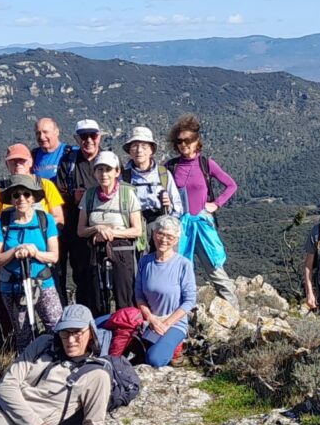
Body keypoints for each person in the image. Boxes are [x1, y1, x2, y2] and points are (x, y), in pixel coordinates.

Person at [165, 115, 238, 308]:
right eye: (179, 141)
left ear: (197, 141)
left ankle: (234, 311)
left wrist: (216, 204)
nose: (184, 144)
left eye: (188, 140)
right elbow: (160, 190)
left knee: (215, 269)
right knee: (179, 270)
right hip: (180, 227)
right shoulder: (171, 167)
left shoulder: (206, 164)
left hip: (203, 226)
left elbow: (231, 185)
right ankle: (181, 314)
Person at [0, 174, 63, 349]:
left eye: (26, 194)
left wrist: (34, 252)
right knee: (23, 334)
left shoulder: (45, 219)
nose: (21, 198)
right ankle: (28, 363)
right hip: (12, 286)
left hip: (43, 282)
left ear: (33, 198)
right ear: (11, 199)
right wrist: (16, 250)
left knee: (57, 327)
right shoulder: (2, 222)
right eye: (16, 195)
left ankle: (56, 360)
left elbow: (54, 256)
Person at [77, 151, 143, 315]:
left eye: (108, 169)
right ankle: (99, 327)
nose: (104, 174)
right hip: (95, 251)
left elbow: (137, 230)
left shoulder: (127, 194)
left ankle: (126, 326)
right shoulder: (89, 195)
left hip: (122, 251)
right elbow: (80, 230)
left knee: (124, 295)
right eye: (100, 169)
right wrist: (97, 228)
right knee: (97, 297)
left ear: (117, 172)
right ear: (94, 173)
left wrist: (111, 232)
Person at [135, 215, 197, 367]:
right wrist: (151, 319)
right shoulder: (145, 261)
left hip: (174, 323)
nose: (163, 240)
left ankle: (176, 347)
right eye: (160, 234)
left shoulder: (184, 264)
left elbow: (189, 300)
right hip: (149, 321)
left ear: (176, 240)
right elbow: (139, 295)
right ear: (153, 235)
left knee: (155, 360)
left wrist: (166, 323)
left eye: (169, 237)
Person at [57, 118, 104, 308]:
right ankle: (83, 315)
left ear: (99, 137)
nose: (89, 140)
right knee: (80, 274)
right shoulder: (68, 162)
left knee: (103, 276)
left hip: (104, 228)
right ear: (77, 139)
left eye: (92, 135)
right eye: (84, 137)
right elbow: (59, 193)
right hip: (76, 228)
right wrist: (73, 198)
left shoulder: (108, 160)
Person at [0, 144, 64, 236]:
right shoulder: (0, 189)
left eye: (22, 160)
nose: (17, 163)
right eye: (13, 161)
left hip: (41, 239)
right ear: (7, 165)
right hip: (9, 240)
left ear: (30, 162)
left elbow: (59, 219)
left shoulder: (45, 185)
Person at [121, 127, 182, 235]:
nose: (139, 150)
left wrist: (169, 208)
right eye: (135, 146)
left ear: (151, 150)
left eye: (144, 146)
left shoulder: (163, 174)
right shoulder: (123, 178)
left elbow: (178, 206)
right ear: (129, 151)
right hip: (134, 229)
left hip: (161, 230)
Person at [32, 117, 72, 182]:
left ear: (56, 132)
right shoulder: (32, 156)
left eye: (45, 132)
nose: (41, 137)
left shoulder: (71, 153)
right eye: (38, 133)